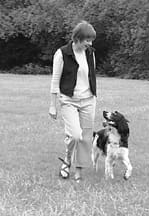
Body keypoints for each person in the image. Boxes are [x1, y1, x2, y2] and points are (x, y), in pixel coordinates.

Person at [49, 21, 97, 183]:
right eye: (87, 40)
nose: (90, 44)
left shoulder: (90, 53)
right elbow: (55, 81)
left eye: (91, 40)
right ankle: (67, 160)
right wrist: (52, 105)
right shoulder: (62, 54)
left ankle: (79, 172)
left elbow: (91, 75)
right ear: (77, 38)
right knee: (75, 135)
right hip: (69, 99)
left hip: (88, 100)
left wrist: (93, 95)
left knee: (85, 137)